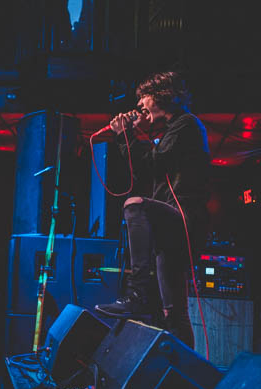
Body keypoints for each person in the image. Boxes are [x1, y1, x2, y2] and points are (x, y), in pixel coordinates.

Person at [94, 71, 210, 348]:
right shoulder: (169, 133)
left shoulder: (186, 124)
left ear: (163, 96)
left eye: (144, 98)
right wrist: (130, 135)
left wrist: (126, 135)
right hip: (170, 227)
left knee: (134, 205)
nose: (139, 106)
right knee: (172, 312)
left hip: (184, 219)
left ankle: (137, 293)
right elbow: (147, 167)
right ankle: (183, 368)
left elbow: (153, 163)